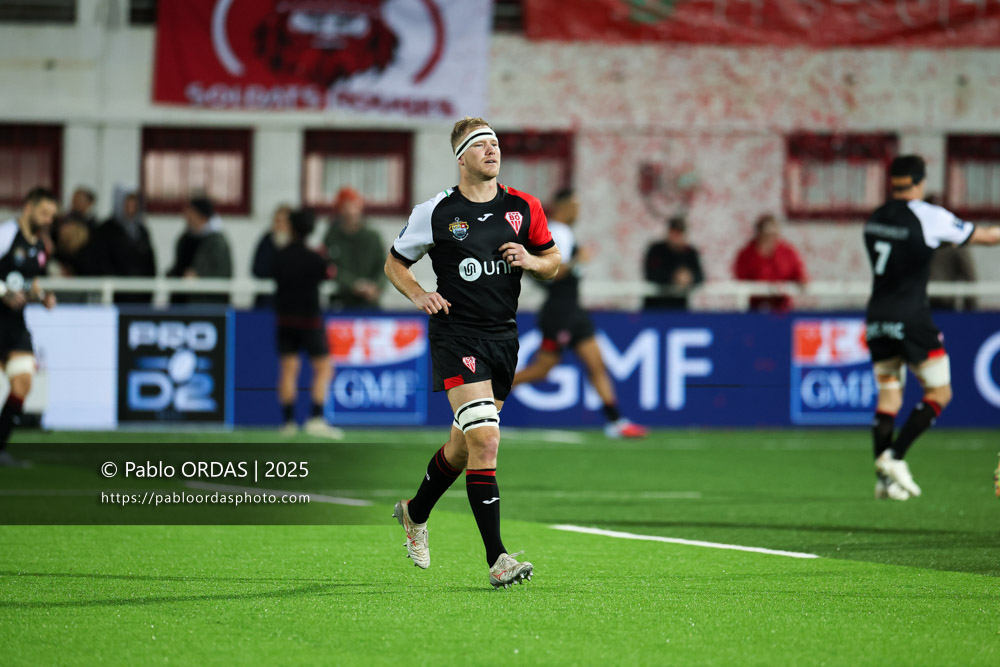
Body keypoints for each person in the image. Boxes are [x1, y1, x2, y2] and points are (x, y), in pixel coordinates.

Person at [384, 117, 560, 588]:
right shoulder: (436, 211)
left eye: (495, 144)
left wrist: (532, 261)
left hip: (503, 338)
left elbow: (554, 260)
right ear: (461, 157)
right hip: (456, 335)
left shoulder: (524, 206)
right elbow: (395, 263)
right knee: (486, 440)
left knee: (464, 447)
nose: (491, 151)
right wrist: (419, 294)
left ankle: (414, 512)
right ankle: (497, 558)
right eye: (480, 145)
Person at [864, 155, 1000, 501]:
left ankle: (884, 480)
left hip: (877, 316)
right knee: (940, 393)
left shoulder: (875, 218)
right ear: (921, 181)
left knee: (889, 395)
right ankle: (894, 458)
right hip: (911, 317)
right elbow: (985, 236)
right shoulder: (928, 216)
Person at [512, 187, 648, 439]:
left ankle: (615, 421)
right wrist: (579, 260)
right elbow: (552, 273)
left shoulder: (563, 232)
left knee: (597, 363)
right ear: (564, 206)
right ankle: (488, 396)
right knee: (543, 370)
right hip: (559, 312)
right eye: (575, 206)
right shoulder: (558, 232)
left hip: (573, 311)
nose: (579, 211)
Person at [271, 208, 343, 439]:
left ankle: (288, 422)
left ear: (290, 227)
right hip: (310, 321)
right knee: (323, 368)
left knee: (288, 369)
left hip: (284, 319)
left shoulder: (280, 256)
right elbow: (330, 273)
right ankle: (315, 418)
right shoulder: (315, 258)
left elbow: (268, 272)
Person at [0, 187, 58, 466]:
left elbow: (31, 282)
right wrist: (2, 292)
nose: (49, 219)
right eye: (45, 213)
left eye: (52, 215)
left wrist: (43, 296)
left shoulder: (41, 247)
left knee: (22, 384)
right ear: (28, 208)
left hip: (14, 324)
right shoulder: (6, 234)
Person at [322, 187, 385, 310]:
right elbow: (329, 267)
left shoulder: (372, 237)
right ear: (339, 209)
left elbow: (385, 265)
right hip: (341, 301)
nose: (351, 212)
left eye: (354, 206)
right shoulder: (332, 237)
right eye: (346, 207)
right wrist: (353, 285)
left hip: (370, 302)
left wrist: (376, 287)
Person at [732, 214, 807, 311]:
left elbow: (798, 272)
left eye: (773, 235)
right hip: (755, 308)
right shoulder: (746, 254)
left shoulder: (787, 252)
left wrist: (801, 280)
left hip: (782, 308)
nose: (770, 239)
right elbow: (741, 278)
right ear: (759, 234)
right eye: (766, 235)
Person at [167, 196, 233, 304]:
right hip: (181, 302)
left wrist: (198, 277)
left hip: (205, 303)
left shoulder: (217, 242)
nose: (186, 216)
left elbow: (224, 274)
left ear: (201, 215)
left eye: (190, 212)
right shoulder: (184, 238)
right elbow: (179, 265)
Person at [97, 189, 156, 303]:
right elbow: (101, 260)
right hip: (116, 294)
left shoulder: (141, 230)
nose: (131, 209)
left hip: (141, 294)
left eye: (134, 205)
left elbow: (150, 261)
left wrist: (149, 287)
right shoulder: (106, 229)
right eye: (127, 205)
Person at [644, 215, 704, 310]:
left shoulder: (690, 252)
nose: (676, 236)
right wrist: (675, 277)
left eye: (679, 233)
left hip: (679, 307)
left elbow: (700, 276)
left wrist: (690, 277)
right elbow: (651, 274)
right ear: (668, 232)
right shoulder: (656, 250)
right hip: (655, 306)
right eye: (674, 232)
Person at [251, 204, 293, 309]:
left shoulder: (297, 245)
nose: (280, 225)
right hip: (267, 300)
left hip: (290, 302)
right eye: (277, 221)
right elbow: (257, 269)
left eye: (285, 221)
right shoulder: (266, 241)